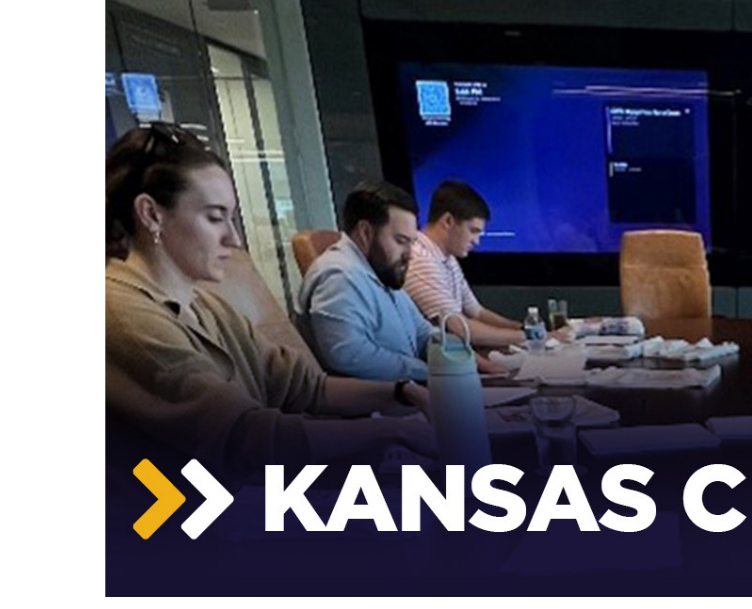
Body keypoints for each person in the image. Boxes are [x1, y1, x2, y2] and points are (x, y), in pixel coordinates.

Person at [105, 123, 434, 479]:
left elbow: (308, 388)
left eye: (231, 218)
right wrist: (393, 431)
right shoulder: (120, 314)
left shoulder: (204, 306)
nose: (233, 237)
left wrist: (404, 394)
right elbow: (248, 437)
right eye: (215, 218)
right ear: (152, 214)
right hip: (180, 521)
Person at [296, 182, 442, 382]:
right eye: (401, 241)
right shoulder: (339, 276)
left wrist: (455, 356)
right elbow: (348, 354)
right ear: (365, 232)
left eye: (412, 242)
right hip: (373, 407)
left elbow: (421, 333)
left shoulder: (381, 270)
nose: (410, 255)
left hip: (408, 396)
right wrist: (426, 372)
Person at [404, 180, 528, 348]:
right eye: (473, 231)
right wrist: (527, 336)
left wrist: (523, 328)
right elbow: (460, 328)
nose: (476, 241)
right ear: (448, 221)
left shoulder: (447, 257)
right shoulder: (421, 259)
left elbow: (477, 313)